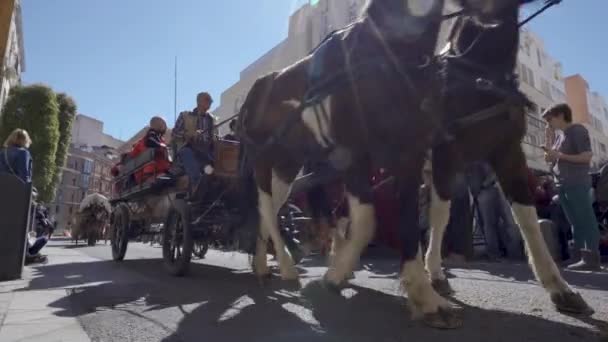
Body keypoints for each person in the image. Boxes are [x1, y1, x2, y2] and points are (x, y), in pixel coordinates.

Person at [543, 103, 601, 271]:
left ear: (561, 115)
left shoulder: (577, 130)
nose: (548, 123)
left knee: (585, 219)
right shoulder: (560, 136)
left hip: (577, 181)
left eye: (549, 119)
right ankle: (580, 256)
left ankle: (591, 257)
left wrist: (560, 155)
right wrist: (548, 138)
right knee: (575, 221)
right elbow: (549, 159)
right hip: (563, 184)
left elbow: (586, 156)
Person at [171, 92, 218, 196]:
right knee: (187, 153)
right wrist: (189, 135)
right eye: (207, 99)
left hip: (207, 151)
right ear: (199, 101)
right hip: (189, 149)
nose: (211, 102)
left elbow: (216, 138)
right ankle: (196, 186)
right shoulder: (185, 115)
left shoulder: (213, 120)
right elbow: (174, 134)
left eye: (211, 100)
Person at [129, 116, 172, 184]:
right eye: (164, 125)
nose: (165, 128)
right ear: (159, 125)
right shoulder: (151, 136)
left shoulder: (155, 138)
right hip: (151, 172)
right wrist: (163, 147)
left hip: (154, 170)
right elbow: (150, 142)